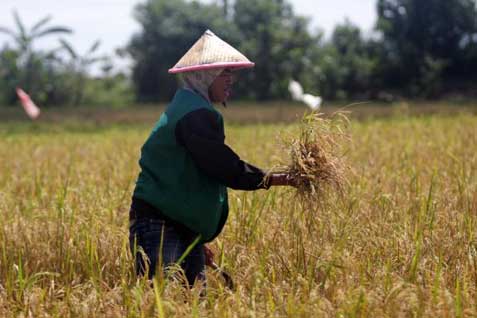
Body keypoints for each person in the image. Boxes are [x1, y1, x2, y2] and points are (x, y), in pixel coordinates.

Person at [129, 30, 296, 287]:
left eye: (232, 72)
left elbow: (190, 179)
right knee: (165, 302)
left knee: (190, 303)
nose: (232, 80)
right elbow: (222, 167)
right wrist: (278, 178)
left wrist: (193, 236)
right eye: (225, 72)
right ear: (204, 75)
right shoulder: (195, 114)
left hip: (176, 226)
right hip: (161, 226)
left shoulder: (187, 106)